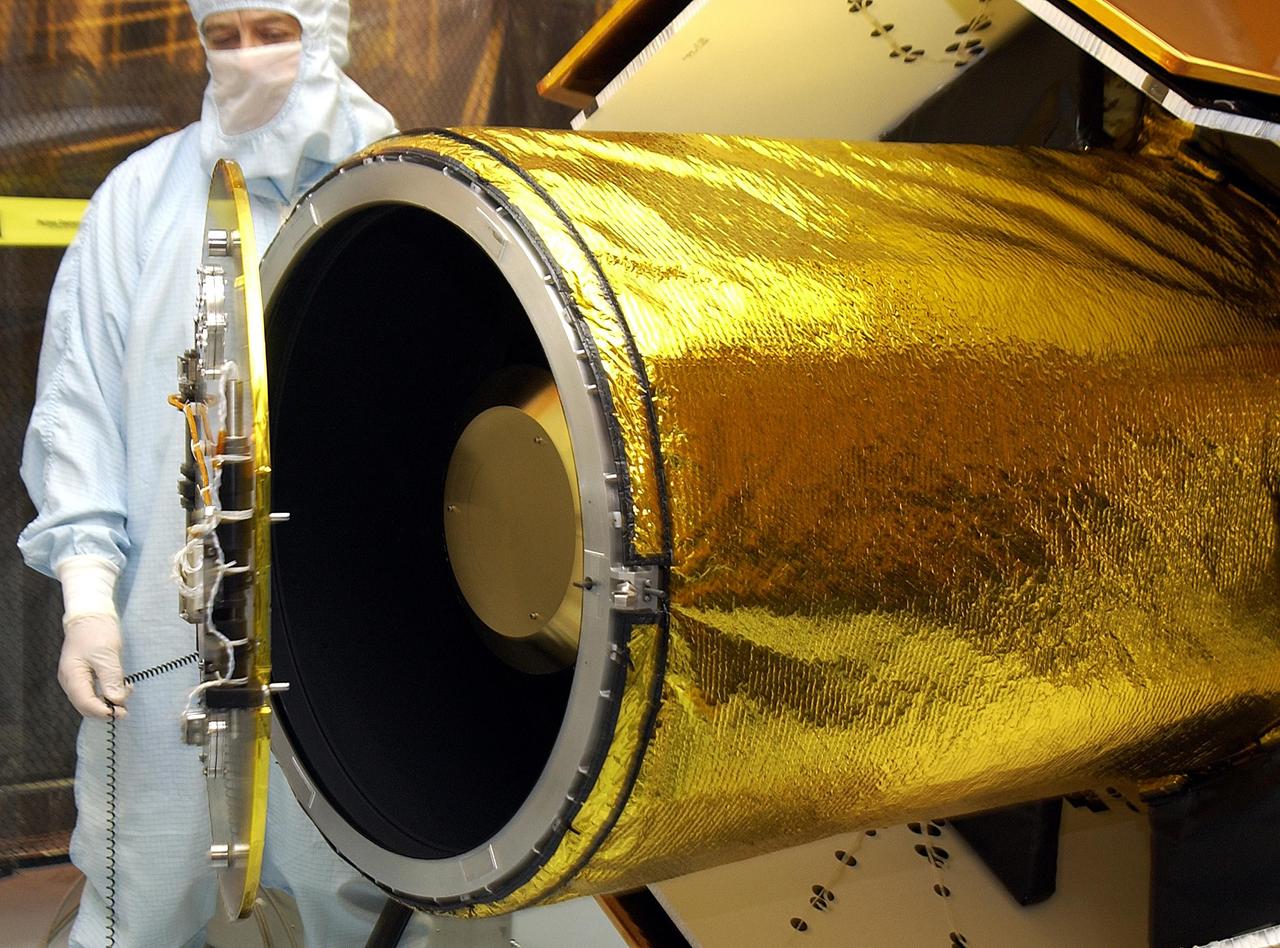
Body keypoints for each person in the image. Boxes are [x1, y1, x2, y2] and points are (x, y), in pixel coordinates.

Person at [18, 2, 418, 944]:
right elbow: (79, 404)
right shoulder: (141, 197)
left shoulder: (410, 188)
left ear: (327, 26)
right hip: (168, 647)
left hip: (360, 647)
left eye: (274, 29)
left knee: (365, 902)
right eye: (222, 37)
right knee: (138, 891)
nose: (248, 60)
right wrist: (86, 598)